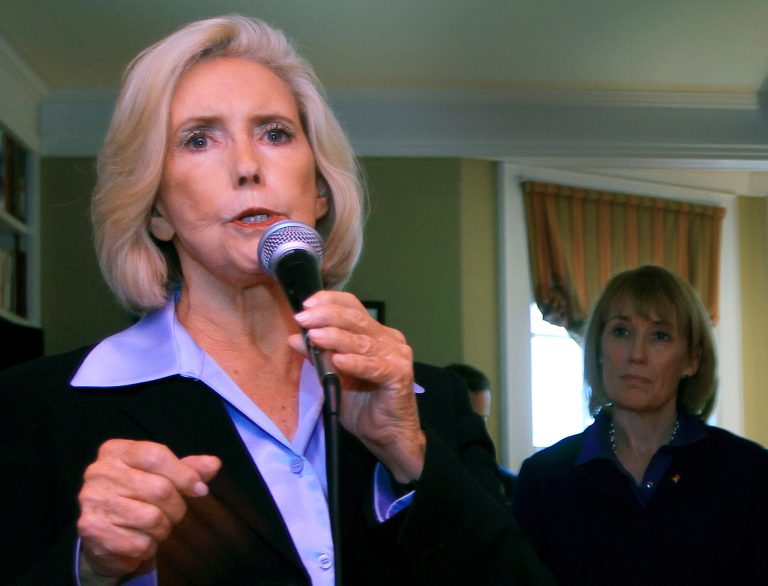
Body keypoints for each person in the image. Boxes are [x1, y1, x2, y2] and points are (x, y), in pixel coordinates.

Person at [0, 15, 555, 586]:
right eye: (198, 139)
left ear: (318, 190)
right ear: (157, 211)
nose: (247, 167)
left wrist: (409, 454)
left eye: (274, 133)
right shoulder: (34, 409)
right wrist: (90, 568)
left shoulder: (432, 403)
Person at [513, 265, 768, 586]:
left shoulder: (749, 471)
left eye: (660, 336)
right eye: (621, 331)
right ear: (599, 349)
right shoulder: (545, 478)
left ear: (692, 360)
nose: (636, 354)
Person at [445, 362, 517, 502]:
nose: (479, 430)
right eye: (469, 420)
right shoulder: (409, 478)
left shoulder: (508, 485)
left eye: (483, 419)